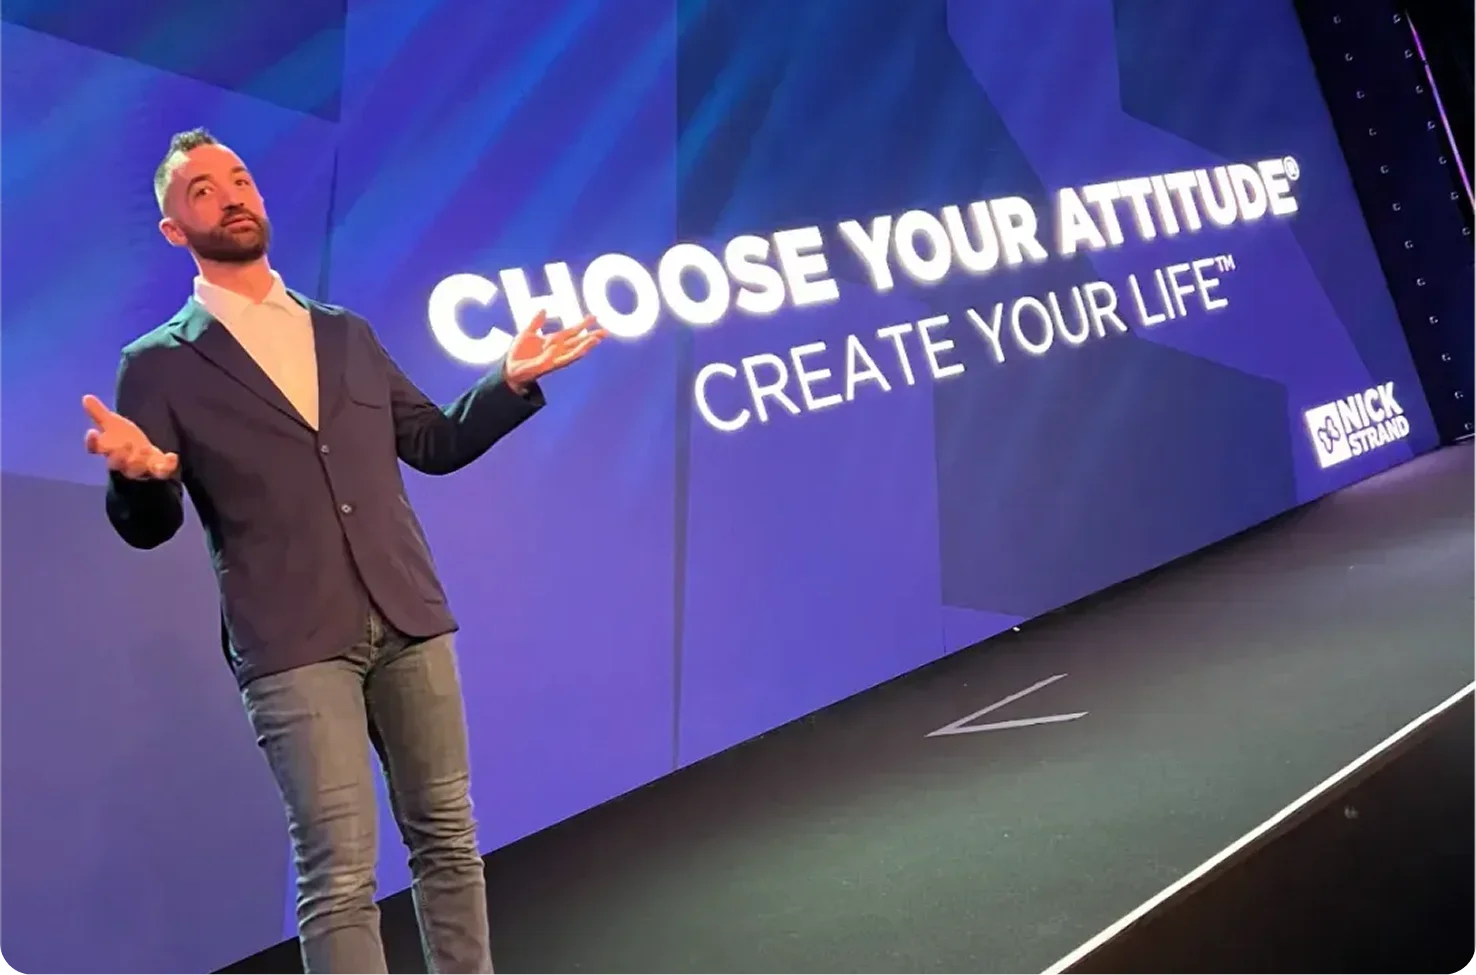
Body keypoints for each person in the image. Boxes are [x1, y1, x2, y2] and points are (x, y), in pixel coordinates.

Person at [80, 128, 604, 975]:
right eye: (204, 190)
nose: (232, 194)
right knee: (339, 873)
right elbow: (152, 520)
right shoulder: (157, 365)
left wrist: (505, 383)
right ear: (176, 230)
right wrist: (139, 478)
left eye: (240, 178)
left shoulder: (345, 332)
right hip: (291, 642)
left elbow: (431, 442)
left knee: (448, 838)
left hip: (407, 614)